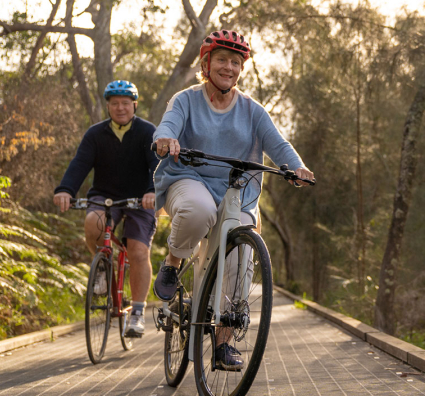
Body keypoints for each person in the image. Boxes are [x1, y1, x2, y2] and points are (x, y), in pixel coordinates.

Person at [151, 29, 314, 371]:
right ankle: (174, 261)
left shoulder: (253, 110)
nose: (229, 67)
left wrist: (297, 166)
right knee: (199, 210)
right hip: (188, 178)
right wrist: (166, 138)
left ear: (241, 69)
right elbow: (168, 125)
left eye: (236, 62)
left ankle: (223, 344)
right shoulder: (186, 99)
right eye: (222, 59)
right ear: (206, 63)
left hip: (236, 192)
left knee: (242, 252)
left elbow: (278, 145)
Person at [54, 80, 158, 338]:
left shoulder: (147, 132)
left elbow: (158, 165)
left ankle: (136, 311)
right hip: (105, 195)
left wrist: (153, 190)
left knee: (137, 250)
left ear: (134, 105)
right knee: (93, 223)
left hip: (140, 199)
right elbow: (80, 164)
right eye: (114, 104)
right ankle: (102, 266)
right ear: (108, 106)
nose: (120, 108)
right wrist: (66, 189)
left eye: (125, 103)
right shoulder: (95, 134)